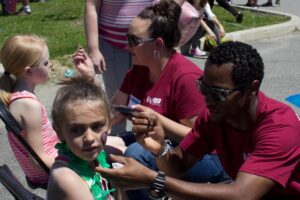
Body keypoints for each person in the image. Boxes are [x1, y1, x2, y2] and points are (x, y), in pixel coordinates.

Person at [96, 41, 300, 199]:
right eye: (204, 88)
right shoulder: (215, 115)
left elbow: (242, 195)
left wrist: (153, 179)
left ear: (252, 89)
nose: (207, 100)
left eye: (219, 93)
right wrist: (157, 148)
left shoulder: (279, 127)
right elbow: (178, 166)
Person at [47, 76, 121, 200]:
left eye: (96, 126)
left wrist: (119, 184)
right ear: (59, 132)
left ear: (109, 124)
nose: (89, 138)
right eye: (76, 129)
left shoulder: (98, 157)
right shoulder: (67, 179)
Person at [0, 35, 59, 189]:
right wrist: (78, 165)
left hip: (50, 158)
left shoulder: (15, 91)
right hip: (48, 168)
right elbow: (37, 157)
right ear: (28, 71)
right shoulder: (28, 105)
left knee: (112, 142)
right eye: (45, 63)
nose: (50, 65)